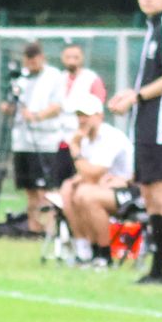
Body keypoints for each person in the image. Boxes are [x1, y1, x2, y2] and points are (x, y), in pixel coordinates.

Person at [107, 0, 162, 283]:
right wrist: (131, 94)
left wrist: (136, 98)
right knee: (150, 191)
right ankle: (155, 269)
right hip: (148, 120)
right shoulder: (153, 26)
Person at [56, 94, 136, 266]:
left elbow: (93, 174)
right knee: (68, 188)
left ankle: (103, 254)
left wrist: (75, 150)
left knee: (86, 194)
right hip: (103, 187)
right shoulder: (85, 139)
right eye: (79, 115)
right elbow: (88, 174)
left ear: (99, 116)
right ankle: (83, 250)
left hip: (129, 190)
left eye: (86, 115)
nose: (82, 120)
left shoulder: (110, 136)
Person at [4, 41, 69, 233]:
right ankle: (33, 227)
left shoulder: (54, 77)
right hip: (22, 140)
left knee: (46, 188)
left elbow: (57, 106)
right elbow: (12, 101)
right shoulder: (21, 78)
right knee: (29, 188)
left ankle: (51, 227)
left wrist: (37, 116)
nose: (30, 64)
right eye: (27, 60)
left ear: (42, 58)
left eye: (34, 60)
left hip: (45, 140)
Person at [59, 41, 105, 112]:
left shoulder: (92, 79)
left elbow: (98, 105)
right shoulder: (58, 78)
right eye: (68, 57)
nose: (71, 61)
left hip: (83, 121)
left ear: (82, 57)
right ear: (62, 58)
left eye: (76, 57)